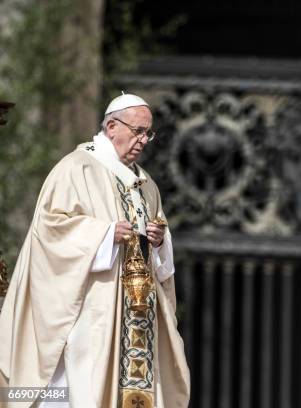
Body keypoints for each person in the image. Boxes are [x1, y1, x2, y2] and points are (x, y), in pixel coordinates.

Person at [0, 94, 190, 407]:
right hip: (91, 313)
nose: (143, 140)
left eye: (148, 133)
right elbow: (49, 230)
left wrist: (158, 241)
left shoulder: (146, 185)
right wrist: (103, 234)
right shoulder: (76, 169)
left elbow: (160, 255)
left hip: (136, 317)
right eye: (138, 131)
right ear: (112, 126)